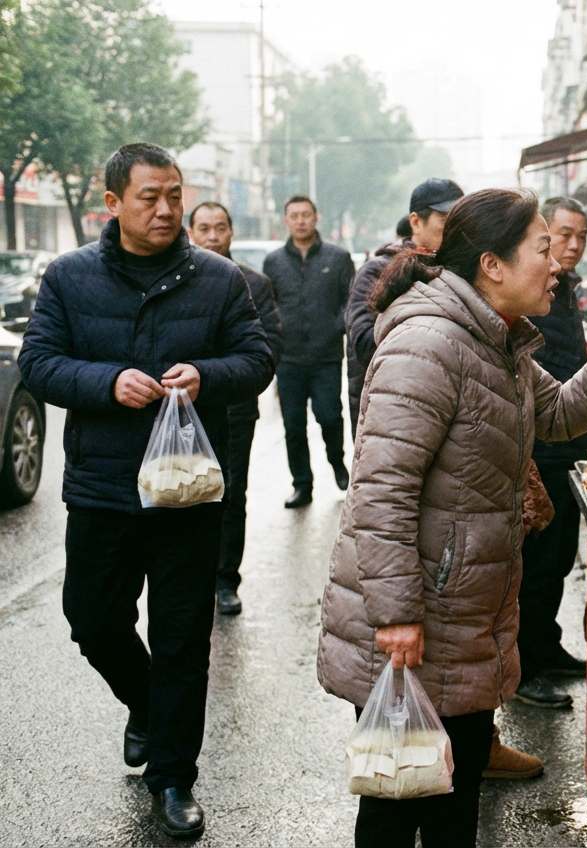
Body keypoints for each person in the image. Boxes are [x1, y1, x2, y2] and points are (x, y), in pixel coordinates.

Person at [316, 187, 587, 848]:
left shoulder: (497, 341)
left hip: (464, 617)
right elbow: (380, 490)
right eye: (542, 247)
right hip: (419, 621)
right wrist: (394, 615)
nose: (558, 262)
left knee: (455, 792)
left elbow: (558, 415)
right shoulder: (429, 344)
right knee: (398, 801)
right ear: (492, 266)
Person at [17, 143, 274, 839]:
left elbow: (257, 359)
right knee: (91, 617)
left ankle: (173, 778)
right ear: (112, 204)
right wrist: (105, 383)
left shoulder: (219, 280)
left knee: (183, 637)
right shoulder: (69, 277)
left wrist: (208, 374)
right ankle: (147, 706)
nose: (165, 210)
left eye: (174, 195)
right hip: (102, 487)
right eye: (148, 197)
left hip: (189, 491)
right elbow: (38, 364)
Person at [511, 196, 587, 712]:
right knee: (535, 567)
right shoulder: (531, 291)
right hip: (539, 448)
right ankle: (524, 669)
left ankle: (546, 644)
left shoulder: (565, 291)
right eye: (563, 235)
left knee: (560, 560)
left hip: (570, 447)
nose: (573, 246)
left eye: (581, 236)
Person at [187, 200, 284, 616]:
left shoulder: (252, 283)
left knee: (229, 496)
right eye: (204, 228)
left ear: (231, 232)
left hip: (234, 410)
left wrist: (214, 375)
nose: (212, 236)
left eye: (220, 227)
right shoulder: (175, 279)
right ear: (190, 231)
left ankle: (226, 580)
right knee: (182, 494)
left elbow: (269, 347)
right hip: (179, 413)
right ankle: (189, 578)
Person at [345, 178, 462, 436]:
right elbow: (364, 344)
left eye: (460, 221)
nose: (455, 230)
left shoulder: (462, 272)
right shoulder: (377, 271)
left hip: (449, 412)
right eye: (445, 221)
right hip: (388, 413)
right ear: (416, 222)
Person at [264, 195, 356, 508]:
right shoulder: (274, 262)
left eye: (306, 214)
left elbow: (351, 302)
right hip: (287, 359)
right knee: (293, 426)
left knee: (330, 416)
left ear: (316, 218)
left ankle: (337, 462)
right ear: (286, 220)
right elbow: (268, 305)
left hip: (326, 356)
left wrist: (335, 327)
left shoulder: (338, 257)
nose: (301, 220)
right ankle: (302, 485)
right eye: (294, 215)